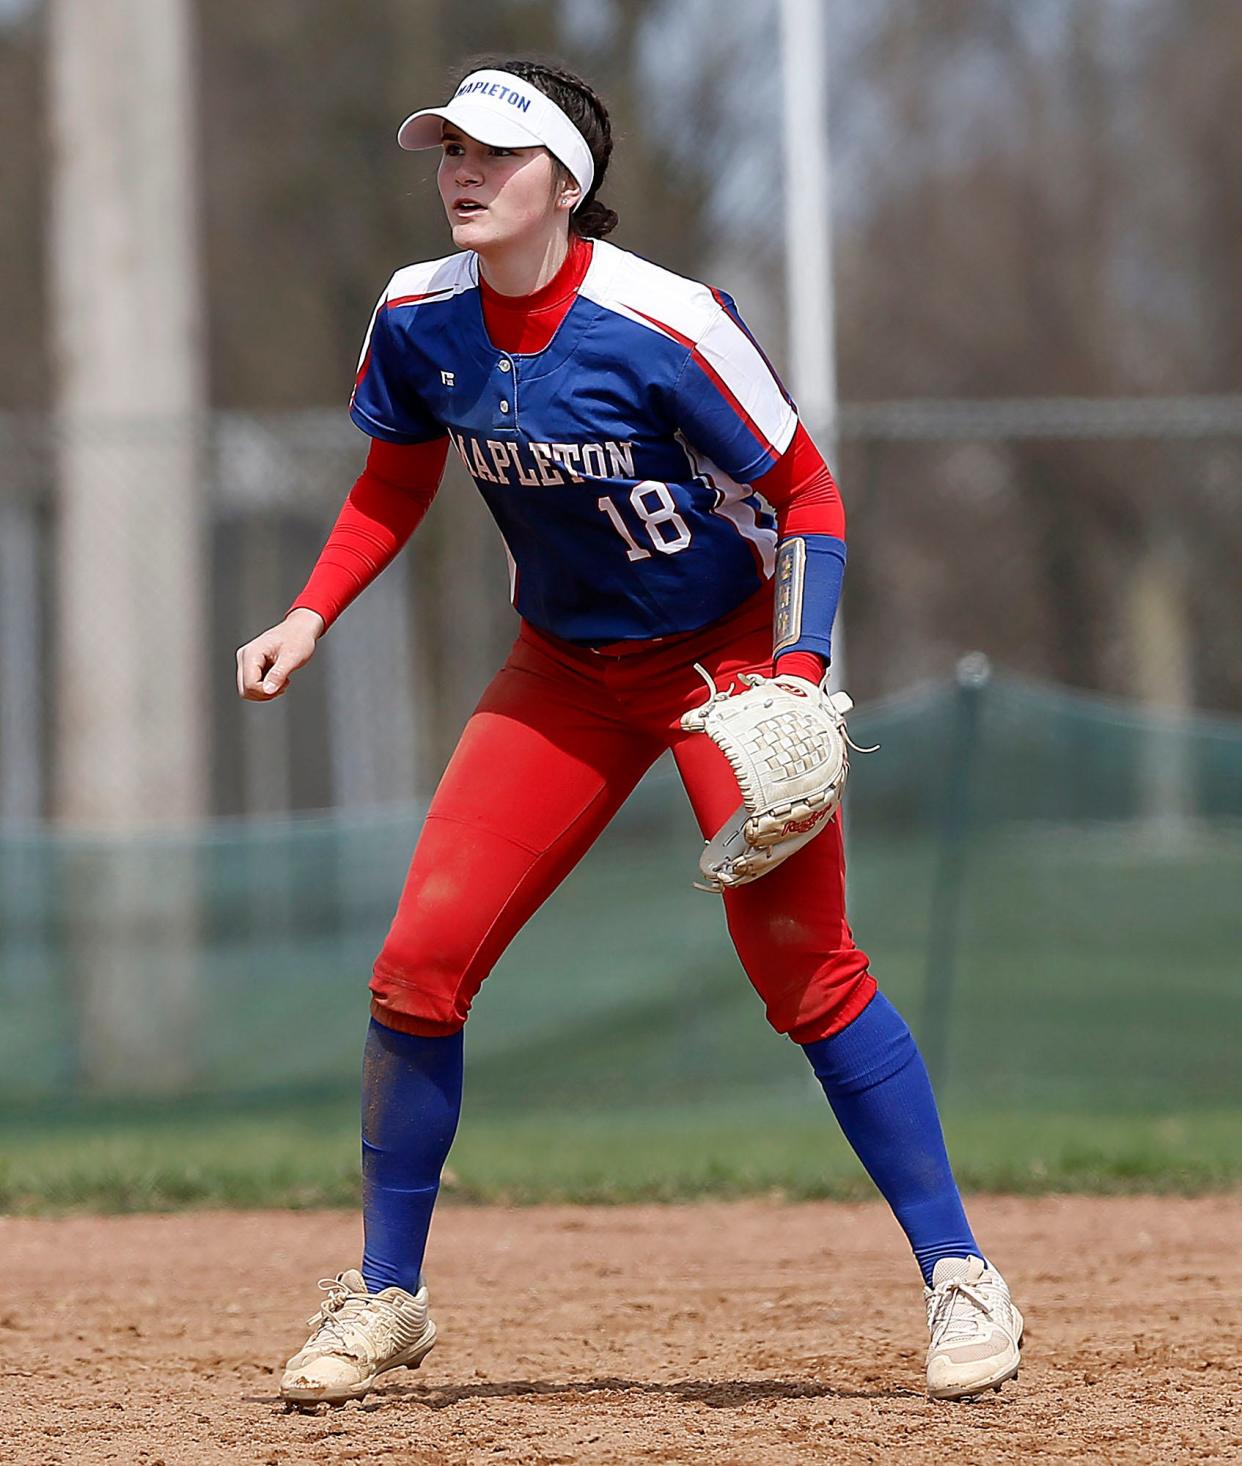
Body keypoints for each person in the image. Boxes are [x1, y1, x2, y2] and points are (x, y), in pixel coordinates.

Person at [236, 56, 1023, 1407]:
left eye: (494, 152)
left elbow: (808, 492)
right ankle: (385, 1294)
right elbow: (388, 483)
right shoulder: (420, 317)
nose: (461, 174)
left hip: (717, 666)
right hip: (561, 672)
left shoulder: (664, 321)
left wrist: (790, 670)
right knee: (418, 962)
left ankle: (959, 1271)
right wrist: (311, 612)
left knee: (806, 975)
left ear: (567, 183)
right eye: (447, 152)